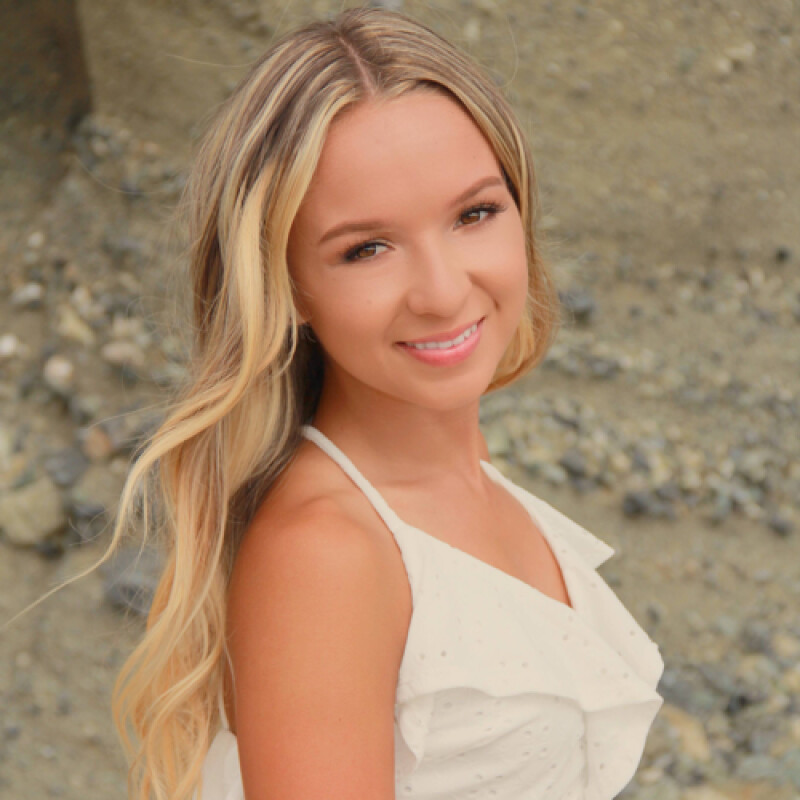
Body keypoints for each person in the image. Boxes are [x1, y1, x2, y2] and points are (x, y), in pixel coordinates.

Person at [29, 7, 665, 799]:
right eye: (367, 249)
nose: (442, 292)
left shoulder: (463, 477)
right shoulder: (326, 554)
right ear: (286, 286)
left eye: (474, 213)